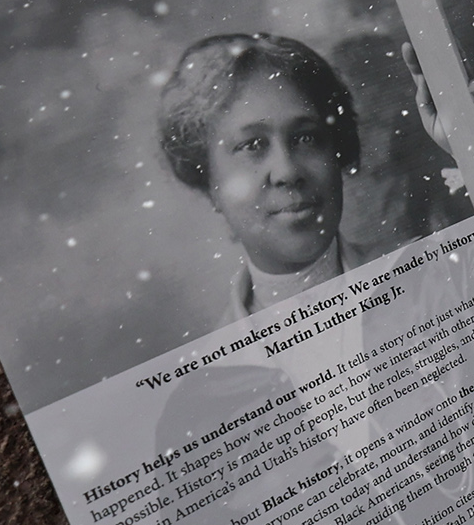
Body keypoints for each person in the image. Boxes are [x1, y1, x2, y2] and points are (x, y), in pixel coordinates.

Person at [157, 32, 367, 325]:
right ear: (212, 185)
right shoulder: (218, 368)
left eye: (305, 138)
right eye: (252, 146)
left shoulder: (434, 279)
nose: (288, 171)